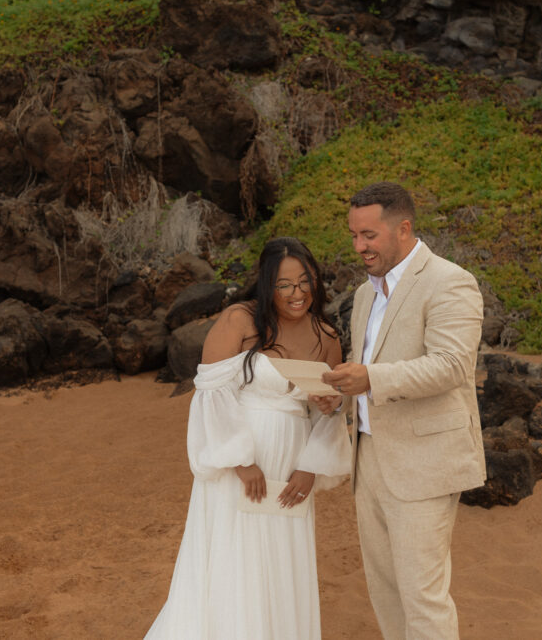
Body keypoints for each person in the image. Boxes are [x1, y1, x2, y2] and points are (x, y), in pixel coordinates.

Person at [145, 237, 351, 640]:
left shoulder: (326, 336)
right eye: (285, 285)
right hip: (237, 465)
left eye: (305, 281)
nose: (297, 294)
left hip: (292, 469)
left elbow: (331, 411)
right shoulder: (240, 320)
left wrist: (312, 465)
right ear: (267, 284)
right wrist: (241, 460)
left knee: (280, 561)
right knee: (233, 559)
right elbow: (210, 394)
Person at [320, 181, 486, 639]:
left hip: (424, 462)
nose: (359, 246)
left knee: (422, 597)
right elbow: (367, 373)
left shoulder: (450, 281)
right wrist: (341, 393)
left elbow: (452, 366)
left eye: (369, 235)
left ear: (403, 228)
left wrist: (370, 379)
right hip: (369, 457)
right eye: (354, 235)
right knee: (386, 591)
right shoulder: (365, 295)